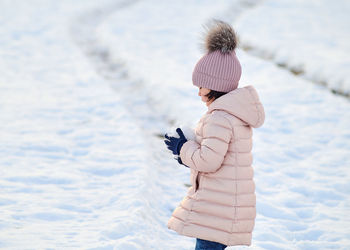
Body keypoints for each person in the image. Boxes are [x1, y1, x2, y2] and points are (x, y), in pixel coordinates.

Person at [164, 20, 265, 249]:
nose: (199, 92)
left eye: (202, 86)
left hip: (217, 211)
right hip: (223, 207)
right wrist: (186, 152)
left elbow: (209, 160)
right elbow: (217, 156)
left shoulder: (219, 118)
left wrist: (183, 148)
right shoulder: (234, 114)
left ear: (215, 85)